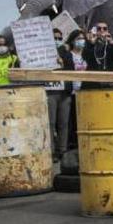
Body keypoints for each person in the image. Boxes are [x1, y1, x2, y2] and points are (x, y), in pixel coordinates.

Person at [46, 28, 73, 162]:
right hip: (50, 92)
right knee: (50, 123)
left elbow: (72, 70)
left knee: (63, 123)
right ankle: (50, 151)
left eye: (59, 38)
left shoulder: (66, 53)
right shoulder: (43, 53)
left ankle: (62, 151)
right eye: (54, 38)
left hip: (64, 93)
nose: (57, 40)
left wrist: (63, 63)